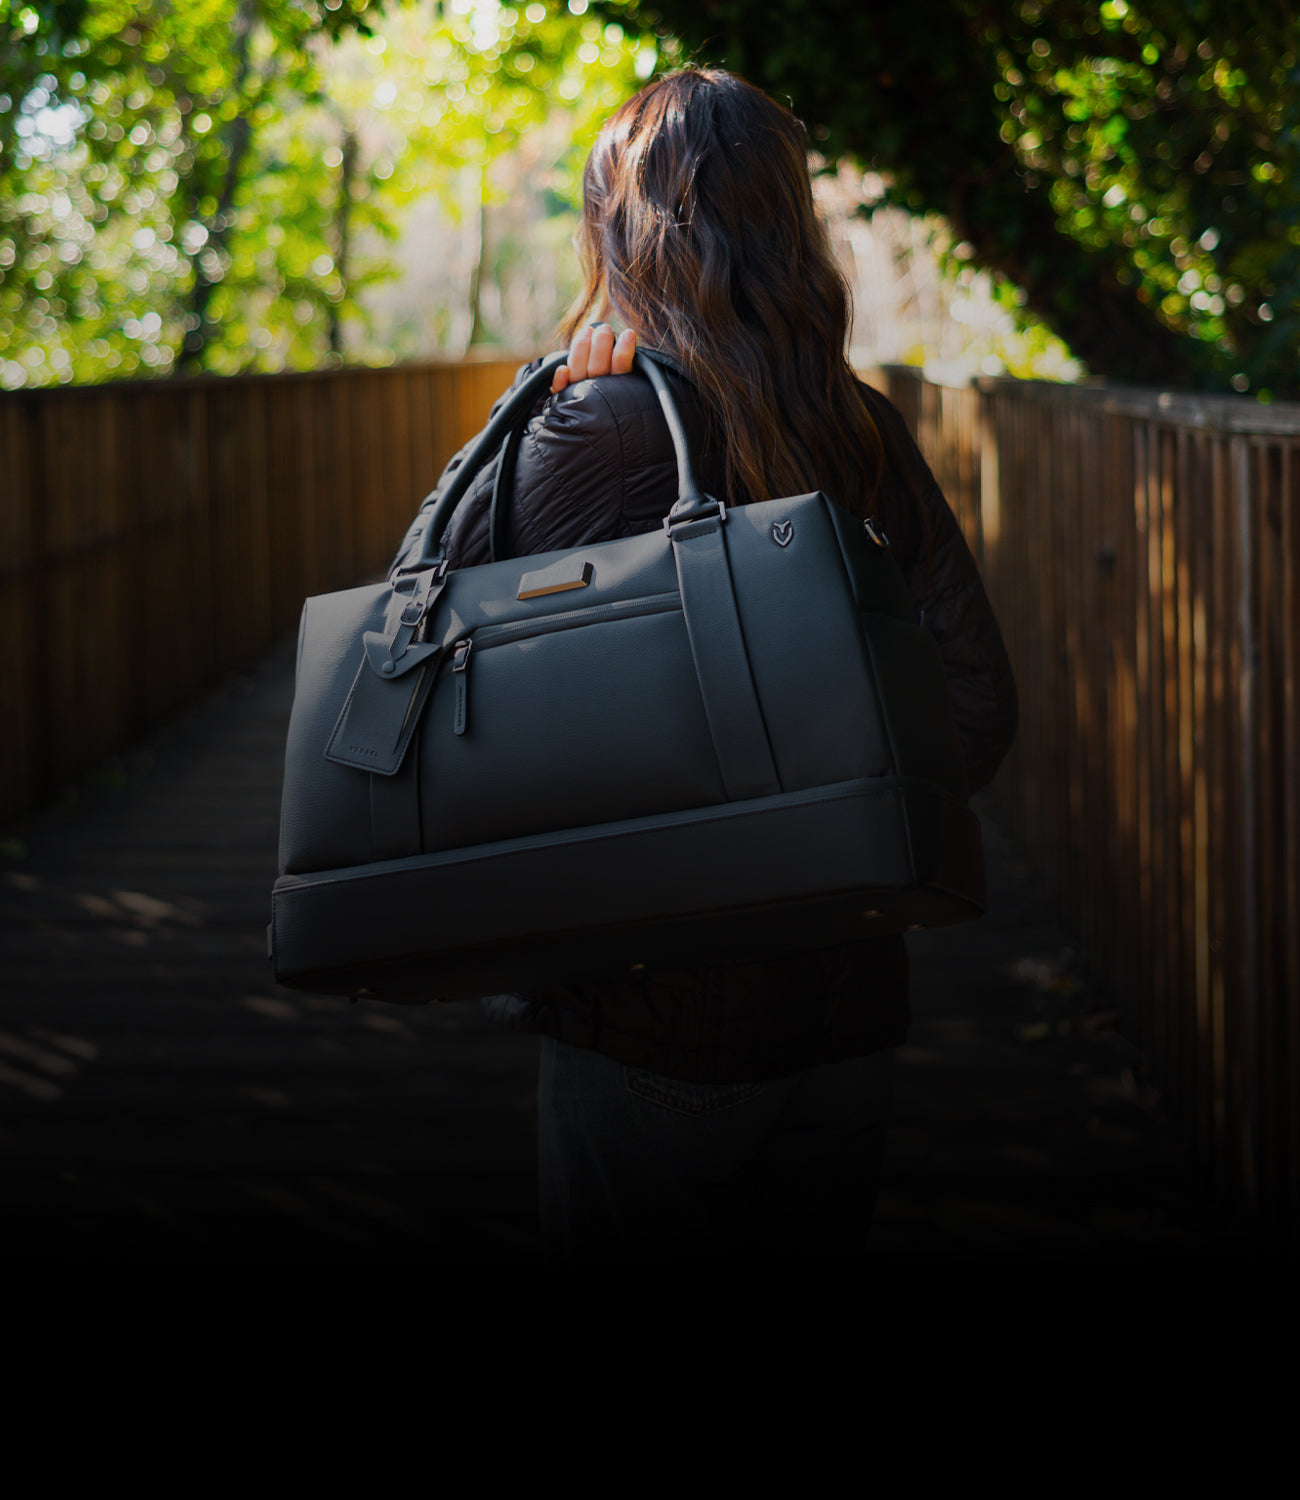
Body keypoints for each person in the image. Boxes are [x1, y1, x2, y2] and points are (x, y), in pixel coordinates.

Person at [389, 67, 1017, 1259]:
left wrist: (533, 400)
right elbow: (975, 708)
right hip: (844, 1008)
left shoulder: (597, 422)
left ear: (621, 232)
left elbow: (409, 626)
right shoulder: (862, 426)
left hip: (646, 1018)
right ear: (788, 225)